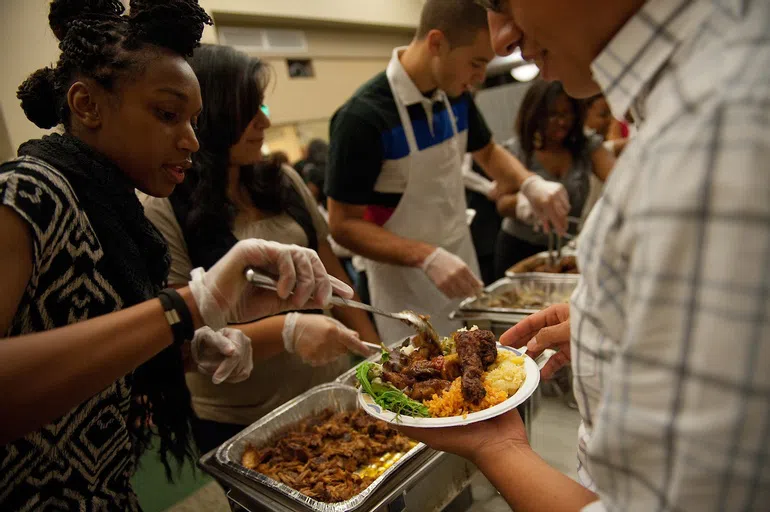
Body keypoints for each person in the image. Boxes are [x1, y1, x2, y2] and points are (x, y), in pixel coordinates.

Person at [400, 0, 770, 510]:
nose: (502, 38)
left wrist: (497, 445)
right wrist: (611, 323)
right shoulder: (691, 96)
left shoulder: (714, 134)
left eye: (503, 3)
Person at [0, 1, 354, 509]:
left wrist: (195, 342)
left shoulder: (118, 218)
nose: (190, 139)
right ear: (87, 106)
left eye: (194, 120)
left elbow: (100, 360)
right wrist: (187, 308)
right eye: (168, 115)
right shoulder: (27, 193)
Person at [142, 44, 379, 453]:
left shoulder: (283, 180)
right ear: (211, 116)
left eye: (262, 108)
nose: (264, 122)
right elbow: (181, 338)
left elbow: (333, 273)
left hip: (331, 389)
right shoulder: (165, 207)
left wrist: (377, 356)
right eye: (249, 111)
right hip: (246, 419)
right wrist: (287, 331)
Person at [326, 0, 570, 342]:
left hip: (460, 260)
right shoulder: (363, 118)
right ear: (436, 43)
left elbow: (487, 151)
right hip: (403, 287)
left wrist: (530, 183)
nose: (480, 77)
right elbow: (342, 225)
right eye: (476, 63)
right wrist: (427, 256)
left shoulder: (456, 95)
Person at [494, 80, 615, 278]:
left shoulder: (586, 146)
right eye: (552, 115)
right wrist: (523, 204)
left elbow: (617, 177)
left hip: (566, 250)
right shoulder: (519, 150)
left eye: (566, 113)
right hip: (518, 250)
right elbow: (502, 203)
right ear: (535, 114)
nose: (561, 121)